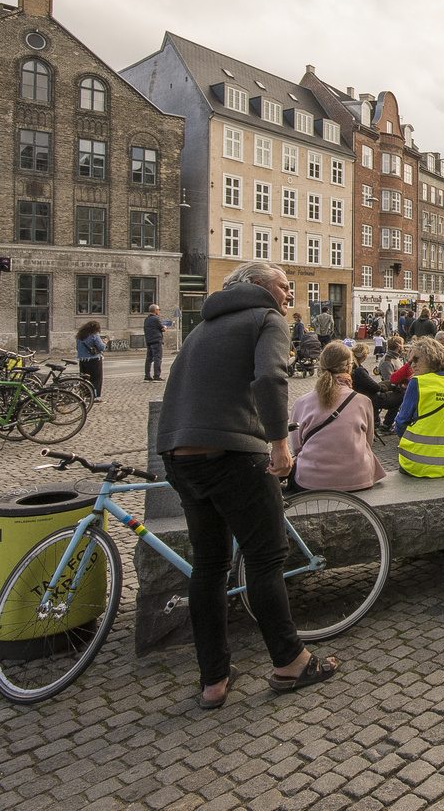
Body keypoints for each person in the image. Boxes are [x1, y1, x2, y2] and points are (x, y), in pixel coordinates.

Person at [156, 260, 337, 707]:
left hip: (180, 454)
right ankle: (290, 660)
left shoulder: (203, 327)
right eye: (283, 286)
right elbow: (270, 378)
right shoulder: (265, 317)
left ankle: (213, 680)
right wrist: (279, 443)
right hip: (233, 452)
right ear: (256, 285)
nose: (289, 295)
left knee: (209, 565)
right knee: (264, 558)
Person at [287, 342, 385, 492]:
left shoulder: (301, 403)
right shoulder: (363, 401)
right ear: (349, 367)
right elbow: (368, 442)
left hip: (311, 480)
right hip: (358, 478)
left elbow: (297, 448)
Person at [394, 337, 444, 477]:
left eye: (416, 359)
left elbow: (401, 422)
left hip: (417, 462)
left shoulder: (418, 382)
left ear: (431, 357)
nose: (412, 365)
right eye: (410, 362)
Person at [75, 321, 105, 398]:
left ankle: (84, 394)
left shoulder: (79, 337)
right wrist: (104, 343)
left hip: (82, 360)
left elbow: (77, 348)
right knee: (96, 378)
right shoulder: (94, 336)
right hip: (94, 360)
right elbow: (101, 347)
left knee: (84, 378)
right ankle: (94, 396)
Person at [144, 304, 166, 382]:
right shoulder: (155, 319)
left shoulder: (147, 319)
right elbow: (162, 328)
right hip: (156, 340)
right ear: (155, 311)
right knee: (157, 358)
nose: (158, 311)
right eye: (158, 310)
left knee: (149, 359)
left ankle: (147, 375)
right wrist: (165, 327)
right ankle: (156, 375)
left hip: (149, 340)